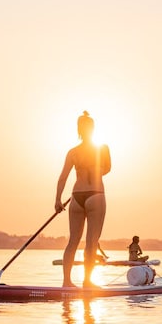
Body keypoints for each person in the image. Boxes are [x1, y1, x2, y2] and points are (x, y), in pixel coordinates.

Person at [55, 111, 111, 287]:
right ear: (93, 128)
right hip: (95, 194)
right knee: (91, 241)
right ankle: (87, 282)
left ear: (79, 129)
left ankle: (66, 282)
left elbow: (63, 177)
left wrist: (57, 200)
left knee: (73, 241)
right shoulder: (102, 148)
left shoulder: (73, 152)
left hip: (76, 196)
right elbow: (107, 169)